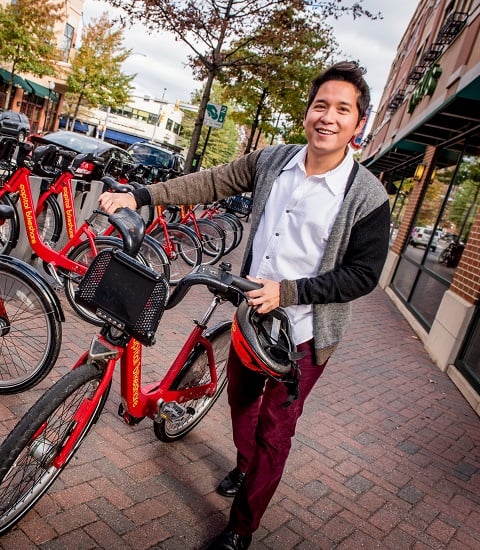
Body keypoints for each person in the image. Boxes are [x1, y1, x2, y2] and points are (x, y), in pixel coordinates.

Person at [99, 61, 390, 549]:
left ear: (358, 125)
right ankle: (244, 465)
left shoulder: (367, 195)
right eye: (321, 105)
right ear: (307, 113)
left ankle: (241, 528)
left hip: (302, 333)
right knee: (239, 404)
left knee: (276, 432)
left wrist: (289, 291)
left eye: (343, 110)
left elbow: (364, 274)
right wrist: (141, 195)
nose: (328, 117)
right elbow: (210, 183)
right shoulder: (273, 161)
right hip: (250, 315)